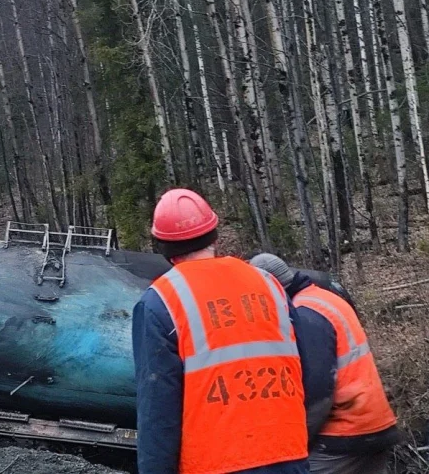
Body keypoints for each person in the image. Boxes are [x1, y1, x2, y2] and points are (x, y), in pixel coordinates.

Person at [133, 188, 310, 474]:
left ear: (162, 247)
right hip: (288, 454)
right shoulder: (268, 283)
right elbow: (304, 369)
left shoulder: (160, 301)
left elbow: (157, 408)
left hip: (216, 463)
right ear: (215, 236)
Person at [252, 254, 399, 474]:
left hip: (342, 434)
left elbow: (318, 393)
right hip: (374, 424)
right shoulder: (325, 298)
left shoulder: (305, 316)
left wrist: (298, 444)